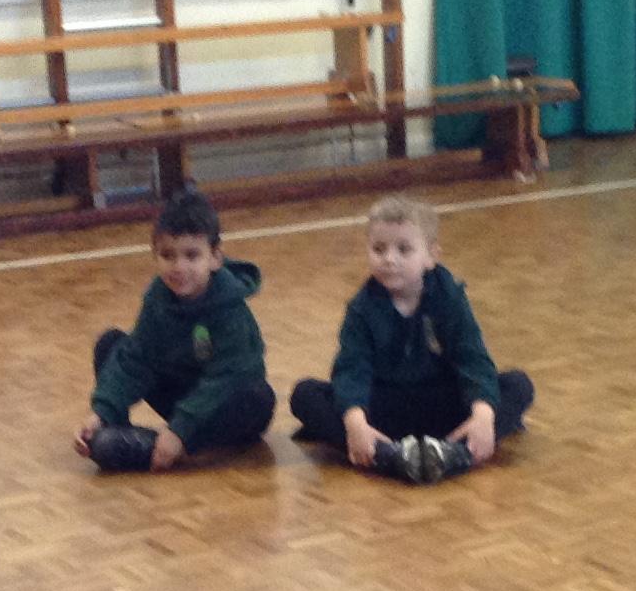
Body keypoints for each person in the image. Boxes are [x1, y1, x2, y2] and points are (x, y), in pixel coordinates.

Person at [288, 196, 534, 484]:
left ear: (431, 256)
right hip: (385, 407)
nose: (389, 259)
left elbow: (473, 359)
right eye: (379, 249)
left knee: (517, 385)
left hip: (442, 403)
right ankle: (391, 457)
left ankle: (454, 454)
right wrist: (355, 422)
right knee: (306, 394)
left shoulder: (449, 298)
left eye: (404, 249)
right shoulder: (361, 308)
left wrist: (482, 414)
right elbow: (351, 369)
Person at [77, 187, 276, 472]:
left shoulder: (230, 308)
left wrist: (180, 430)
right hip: (180, 397)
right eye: (168, 256)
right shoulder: (157, 298)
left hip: (220, 405)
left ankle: (174, 448)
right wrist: (101, 413)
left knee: (257, 397)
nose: (179, 267)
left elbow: (225, 379)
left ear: (215, 257)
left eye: (192, 256)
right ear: (155, 255)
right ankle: (122, 433)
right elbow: (137, 359)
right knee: (111, 344)